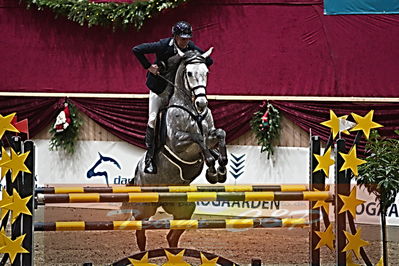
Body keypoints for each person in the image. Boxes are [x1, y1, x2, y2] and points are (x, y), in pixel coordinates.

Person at [132, 21, 213, 174]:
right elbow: (137, 50)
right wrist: (149, 67)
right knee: (153, 118)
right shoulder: (163, 45)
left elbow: (209, 61)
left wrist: (198, 60)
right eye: (182, 38)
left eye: (187, 38)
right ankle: (150, 158)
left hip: (178, 93)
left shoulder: (190, 47)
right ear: (174, 36)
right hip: (159, 90)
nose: (185, 41)